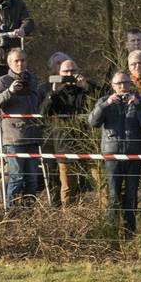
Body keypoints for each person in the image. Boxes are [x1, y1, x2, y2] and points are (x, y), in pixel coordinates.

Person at [88, 71, 141, 234]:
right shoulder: (104, 101)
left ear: (130, 84)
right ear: (113, 86)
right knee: (113, 194)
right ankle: (111, 230)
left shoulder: (140, 101)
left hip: (134, 154)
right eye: (119, 83)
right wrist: (106, 104)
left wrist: (137, 105)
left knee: (132, 194)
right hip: (112, 155)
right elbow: (93, 122)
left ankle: (130, 231)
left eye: (125, 83)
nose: (122, 86)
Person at [39, 53, 97, 205]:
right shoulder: (54, 92)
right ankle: (68, 217)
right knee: (68, 186)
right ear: (58, 73)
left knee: (99, 182)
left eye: (73, 71)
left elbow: (101, 99)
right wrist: (53, 93)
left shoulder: (86, 88)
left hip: (87, 142)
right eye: (66, 72)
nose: (70, 75)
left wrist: (86, 87)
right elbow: (43, 114)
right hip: (64, 144)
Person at [0, 48, 43, 202]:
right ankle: (9, 211)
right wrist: (9, 91)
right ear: (9, 63)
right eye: (16, 61)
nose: (20, 63)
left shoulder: (33, 79)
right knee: (17, 177)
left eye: (23, 60)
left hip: (33, 134)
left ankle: (29, 213)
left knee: (32, 179)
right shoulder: (3, 81)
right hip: (14, 137)